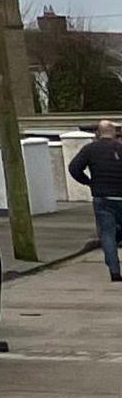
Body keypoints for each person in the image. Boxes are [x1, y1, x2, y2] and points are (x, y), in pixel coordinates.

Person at [71, 119, 122, 283]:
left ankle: (114, 271)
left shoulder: (90, 149)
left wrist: (88, 182)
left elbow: (74, 168)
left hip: (103, 198)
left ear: (98, 133)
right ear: (114, 133)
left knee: (107, 234)